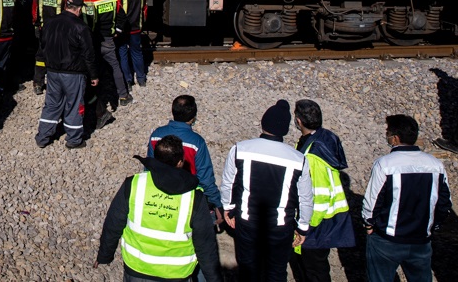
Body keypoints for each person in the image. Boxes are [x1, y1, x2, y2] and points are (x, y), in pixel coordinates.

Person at [94, 135, 223, 282]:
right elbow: (205, 243)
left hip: (137, 269)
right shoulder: (195, 197)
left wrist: (105, 255)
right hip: (176, 273)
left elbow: (114, 222)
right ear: (180, 163)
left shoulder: (134, 184)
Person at [221, 100, 313, 282]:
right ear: (286, 129)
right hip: (280, 226)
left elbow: (228, 183)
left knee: (248, 270)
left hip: (248, 222)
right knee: (276, 272)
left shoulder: (241, 149)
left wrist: (228, 207)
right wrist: (303, 227)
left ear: (263, 123)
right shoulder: (298, 159)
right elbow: (305, 198)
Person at [362, 114, 454, 282]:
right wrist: (433, 226)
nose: (387, 136)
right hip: (421, 239)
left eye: (388, 133)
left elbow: (372, 202)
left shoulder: (385, 164)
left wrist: (369, 224)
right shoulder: (436, 165)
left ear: (395, 138)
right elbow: (445, 203)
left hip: (387, 240)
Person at [289, 99, 354, 282]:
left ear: (299, 121)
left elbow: (318, 196)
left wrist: (303, 228)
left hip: (314, 227)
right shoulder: (324, 138)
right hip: (323, 224)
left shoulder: (313, 158)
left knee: (314, 272)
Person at [34, 0, 98, 150]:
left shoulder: (49, 23)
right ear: (79, 9)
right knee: (75, 105)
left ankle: (43, 137)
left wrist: (41, 73)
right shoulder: (81, 27)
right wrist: (94, 75)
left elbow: (43, 46)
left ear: (65, 6)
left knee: (52, 104)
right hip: (74, 73)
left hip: (53, 71)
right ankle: (74, 139)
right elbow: (89, 54)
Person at [148, 96, 223, 225]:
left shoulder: (156, 134)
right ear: (193, 117)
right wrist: (217, 203)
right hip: (188, 193)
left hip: (158, 190)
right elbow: (205, 177)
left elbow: (149, 166)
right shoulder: (197, 142)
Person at [88, 0, 131, 111]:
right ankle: (124, 95)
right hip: (109, 39)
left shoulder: (91, 1)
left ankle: (94, 97)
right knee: (115, 66)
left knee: (93, 67)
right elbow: (122, 16)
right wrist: (118, 31)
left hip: (95, 40)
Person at [31, 0, 69, 94]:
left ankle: (38, 83)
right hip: (59, 32)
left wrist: (36, 24)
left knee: (41, 56)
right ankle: (57, 85)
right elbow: (68, 14)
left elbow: (34, 11)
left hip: (43, 29)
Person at [111, 0, 148, 88]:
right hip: (137, 27)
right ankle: (141, 79)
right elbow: (144, 7)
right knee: (137, 52)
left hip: (123, 30)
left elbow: (117, 12)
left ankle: (128, 80)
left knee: (122, 53)